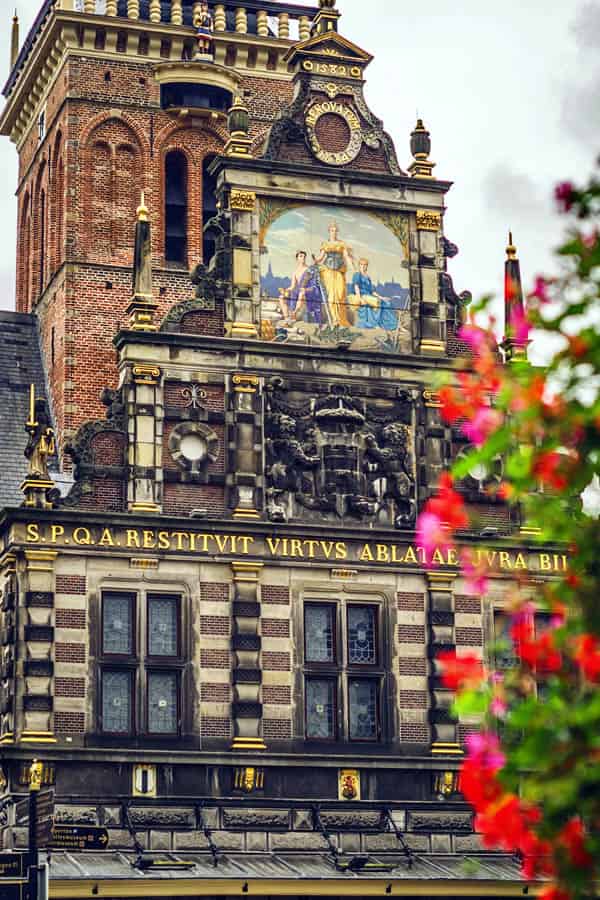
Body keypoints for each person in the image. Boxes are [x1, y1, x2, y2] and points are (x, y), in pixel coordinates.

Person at [313, 222, 354, 327]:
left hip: (339, 270)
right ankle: (335, 319)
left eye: (335, 230)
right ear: (329, 231)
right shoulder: (325, 244)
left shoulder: (342, 244)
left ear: (337, 232)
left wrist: (353, 267)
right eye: (332, 230)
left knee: (340, 294)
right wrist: (315, 260)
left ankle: (340, 319)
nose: (334, 232)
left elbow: (346, 256)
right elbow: (321, 257)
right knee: (331, 297)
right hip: (328, 271)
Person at [352, 258, 397, 330]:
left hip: (369, 295)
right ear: (359, 265)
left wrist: (382, 297)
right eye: (361, 264)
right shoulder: (357, 274)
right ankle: (374, 323)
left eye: (365, 265)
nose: (363, 266)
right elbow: (356, 287)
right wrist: (360, 298)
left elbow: (372, 291)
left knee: (386, 303)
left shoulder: (368, 277)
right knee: (377, 302)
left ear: (367, 266)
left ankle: (390, 324)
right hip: (362, 295)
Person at [286, 251, 323, 324]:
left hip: (309, 292)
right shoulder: (295, 272)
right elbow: (292, 286)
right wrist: (285, 290)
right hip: (299, 291)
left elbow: (314, 286)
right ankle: (287, 317)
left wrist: (306, 289)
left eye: (304, 256)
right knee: (281, 297)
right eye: (300, 256)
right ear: (297, 259)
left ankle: (294, 313)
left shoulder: (309, 270)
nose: (303, 258)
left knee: (301, 294)